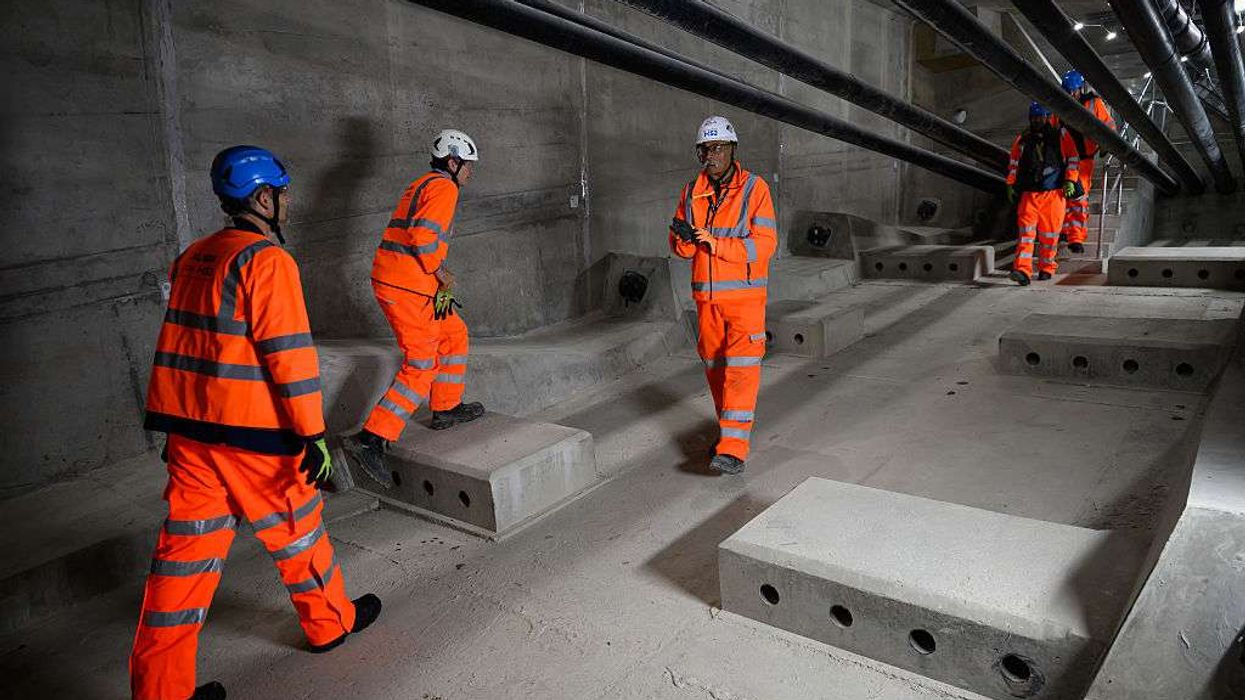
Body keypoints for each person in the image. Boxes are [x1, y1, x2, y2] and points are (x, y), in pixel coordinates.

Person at [134, 146, 381, 700]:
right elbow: (289, 358)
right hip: (254, 440)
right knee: (298, 534)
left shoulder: (194, 256)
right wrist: (312, 436)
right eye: (285, 193)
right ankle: (330, 624)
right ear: (263, 198)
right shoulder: (267, 262)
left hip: (188, 435)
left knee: (182, 564)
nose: (289, 203)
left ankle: (160, 691)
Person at [344, 129, 485, 488]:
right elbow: (422, 237)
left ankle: (446, 407)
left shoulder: (424, 183)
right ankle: (371, 438)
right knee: (421, 363)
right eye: (467, 165)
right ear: (452, 162)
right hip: (406, 286)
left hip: (414, 283)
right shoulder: (444, 188)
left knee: (454, 334)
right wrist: (442, 272)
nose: (470, 172)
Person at [670, 116, 777, 475]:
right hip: (707, 303)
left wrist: (717, 244)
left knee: (741, 371)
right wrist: (683, 239)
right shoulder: (691, 191)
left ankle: (733, 448)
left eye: (717, 148)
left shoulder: (754, 189)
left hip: (745, 301)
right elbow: (684, 252)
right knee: (717, 372)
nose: (710, 156)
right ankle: (728, 434)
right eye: (704, 149)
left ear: (732, 149)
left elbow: (763, 246)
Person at [1006, 103, 1081, 286]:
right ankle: (1022, 270)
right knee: (1025, 235)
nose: (1036, 121)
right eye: (1033, 118)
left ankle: (1046, 267)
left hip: (1053, 194)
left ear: (1048, 117)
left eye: (1039, 117)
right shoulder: (1022, 139)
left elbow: (1073, 159)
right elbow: (1014, 163)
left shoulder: (1061, 135)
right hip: (1029, 195)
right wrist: (1010, 184)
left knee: (1050, 236)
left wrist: (1070, 180)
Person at [1056, 69, 1116, 254]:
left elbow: (1109, 125)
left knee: (1079, 199)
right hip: (1062, 160)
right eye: (1068, 91)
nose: (1071, 94)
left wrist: (1107, 144)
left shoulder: (1094, 103)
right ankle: (1064, 231)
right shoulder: (1059, 105)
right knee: (1062, 197)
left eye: (1073, 90)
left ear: (1081, 88)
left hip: (1083, 160)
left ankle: (1076, 237)